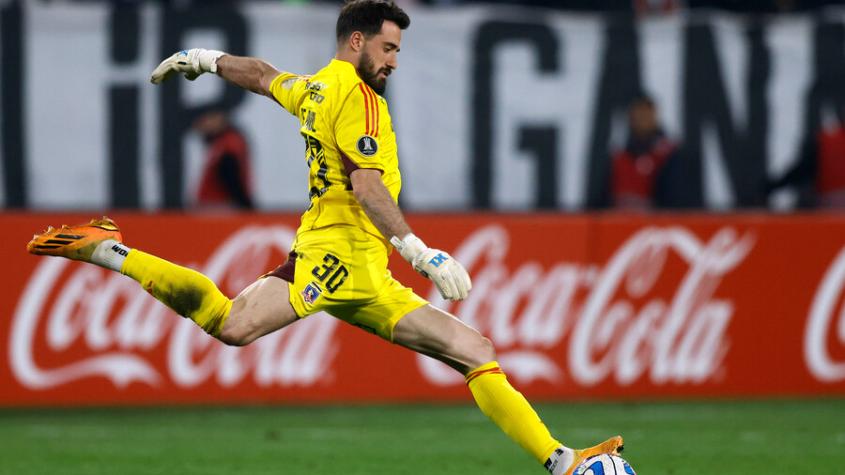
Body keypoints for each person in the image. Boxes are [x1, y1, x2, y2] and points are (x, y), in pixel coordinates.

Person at [26, 1, 622, 473]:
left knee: (477, 353)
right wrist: (420, 250)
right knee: (231, 326)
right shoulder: (360, 101)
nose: (394, 60)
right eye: (388, 47)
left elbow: (261, 76)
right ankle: (109, 248)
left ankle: (563, 462)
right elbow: (366, 184)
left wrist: (200, 58)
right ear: (357, 42)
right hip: (332, 260)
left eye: (399, 50)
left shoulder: (316, 88)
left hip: (368, 273)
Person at [609, 94, 679, 210]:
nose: (643, 117)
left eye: (647, 112)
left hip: (656, 223)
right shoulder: (618, 155)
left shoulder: (670, 154)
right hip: (621, 221)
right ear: (631, 116)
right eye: (639, 111)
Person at [192, 109, 255, 210]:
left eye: (206, 120)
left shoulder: (228, 142)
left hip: (219, 206)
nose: (202, 124)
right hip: (216, 205)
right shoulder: (220, 142)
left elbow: (230, 174)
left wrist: (245, 204)